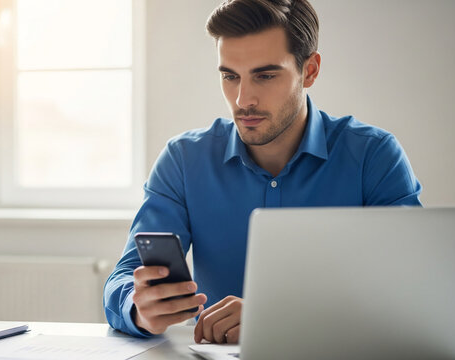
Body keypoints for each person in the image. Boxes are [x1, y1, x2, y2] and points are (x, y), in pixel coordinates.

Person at [103, 0, 422, 344]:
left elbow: (410, 290)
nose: (243, 99)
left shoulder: (372, 155)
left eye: (265, 75)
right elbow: (124, 276)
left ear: (310, 70)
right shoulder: (183, 159)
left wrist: (275, 317)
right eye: (230, 76)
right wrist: (139, 307)